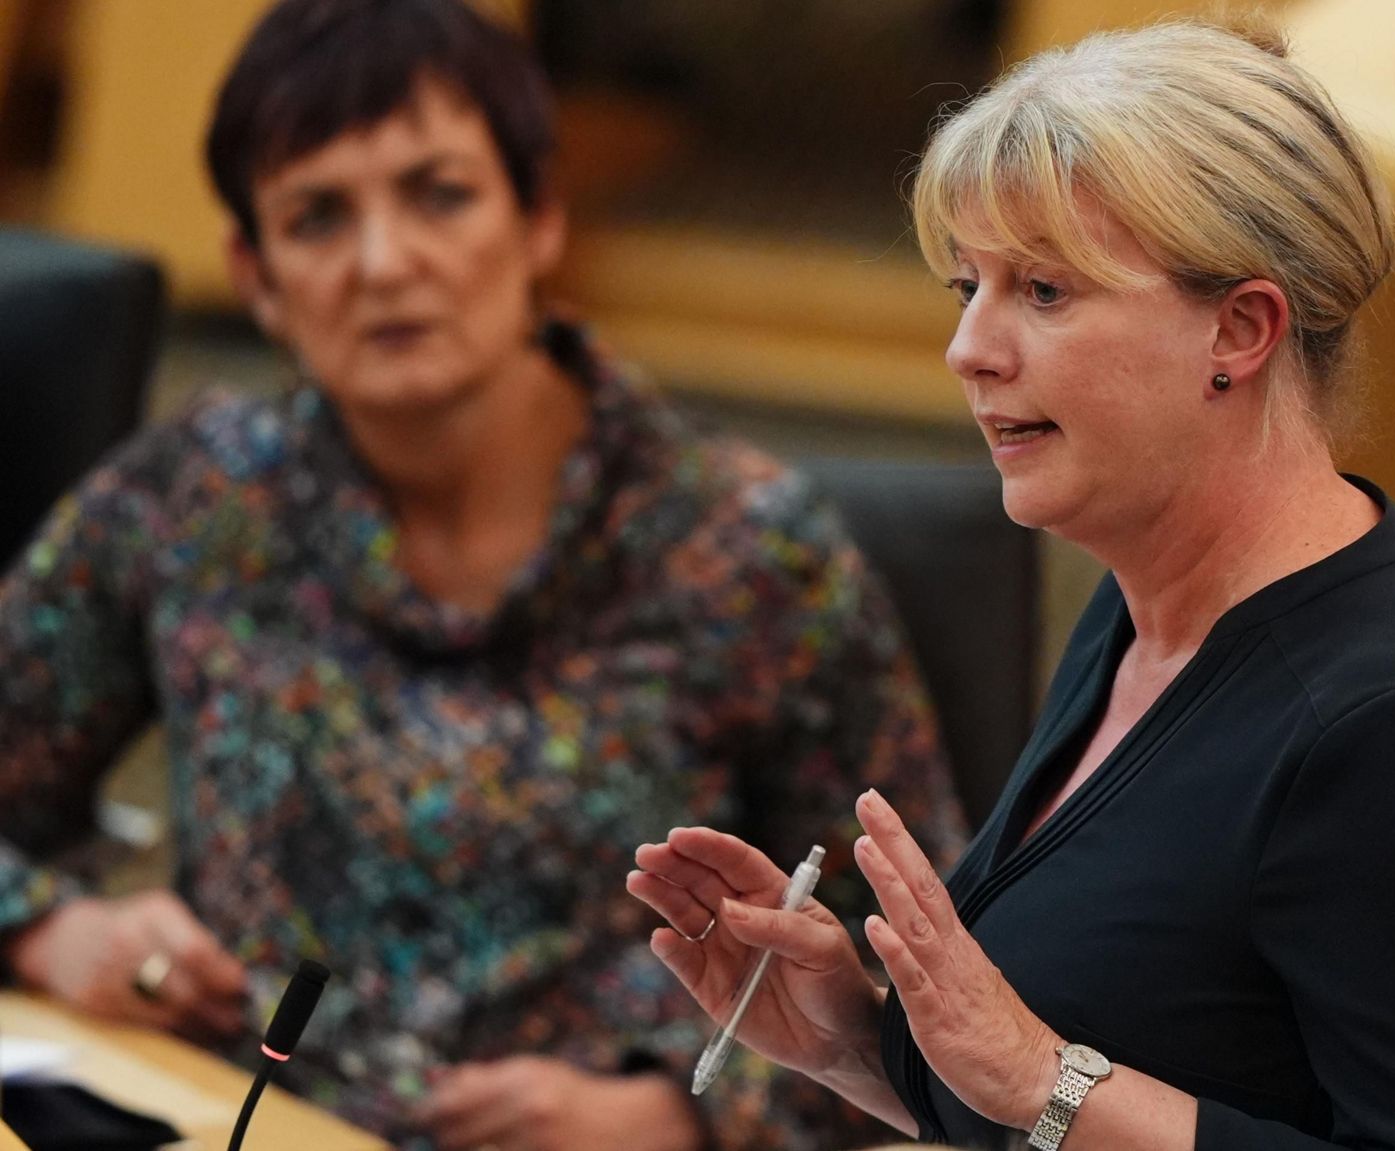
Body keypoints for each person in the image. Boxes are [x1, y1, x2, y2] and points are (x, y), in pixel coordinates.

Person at [0, 1, 967, 1148]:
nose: (383, 262)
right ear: (255, 279)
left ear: (539, 219)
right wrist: (43, 927)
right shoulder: (199, 498)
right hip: (249, 1118)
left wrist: (685, 1114)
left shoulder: (745, 544)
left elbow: (932, 967)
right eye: (317, 216)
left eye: (439, 195)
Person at [630, 20, 1395, 1151]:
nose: (968, 347)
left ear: (1239, 327)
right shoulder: (1141, 603)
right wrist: (852, 1038)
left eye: (1042, 290)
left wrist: (1039, 1076)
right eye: (965, 285)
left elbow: (1053, 1088)